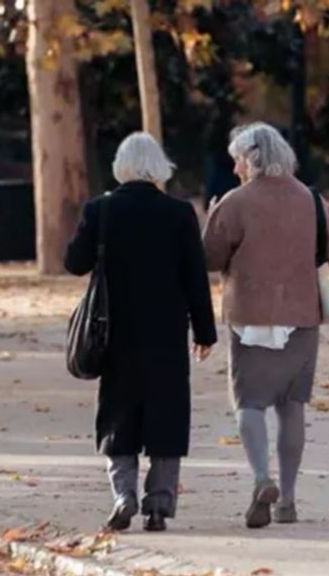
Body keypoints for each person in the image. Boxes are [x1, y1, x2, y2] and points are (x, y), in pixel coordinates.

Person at [64, 132, 217, 533]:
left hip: (114, 331)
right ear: (159, 167)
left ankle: (123, 495)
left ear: (121, 166)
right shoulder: (179, 214)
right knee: (167, 415)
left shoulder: (101, 211)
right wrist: (205, 332)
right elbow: (194, 279)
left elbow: (73, 263)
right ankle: (159, 506)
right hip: (166, 333)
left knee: (118, 414)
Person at [202, 122, 329, 529]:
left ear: (251, 159)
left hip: (249, 317)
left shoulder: (234, 202)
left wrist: (212, 216)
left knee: (249, 404)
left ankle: (263, 479)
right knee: (292, 406)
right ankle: (290, 501)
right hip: (302, 318)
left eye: (237, 162)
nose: (234, 170)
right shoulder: (313, 201)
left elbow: (209, 258)